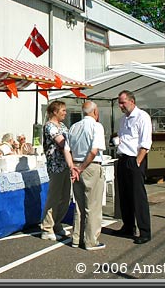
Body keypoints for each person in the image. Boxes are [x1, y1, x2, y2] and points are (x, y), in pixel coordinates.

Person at [65, 101, 106, 250]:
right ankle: (91, 240)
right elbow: (94, 151)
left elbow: (66, 149)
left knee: (80, 205)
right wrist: (81, 168)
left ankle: (76, 238)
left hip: (76, 165)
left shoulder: (74, 127)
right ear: (95, 111)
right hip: (90, 166)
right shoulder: (96, 126)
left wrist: (73, 167)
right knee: (92, 205)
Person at [114, 90, 153, 245]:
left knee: (138, 196)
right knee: (124, 195)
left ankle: (145, 231)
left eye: (123, 102)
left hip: (134, 159)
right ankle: (128, 226)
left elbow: (145, 141)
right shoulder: (123, 119)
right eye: (119, 103)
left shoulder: (142, 116)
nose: (120, 105)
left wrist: (138, 161)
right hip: (123, 158)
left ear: (132, 101)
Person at [39, 100, 78, 241]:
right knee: (54, 197)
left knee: (65, 197)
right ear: (55, 112)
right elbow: (63, 143)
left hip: (65, 165)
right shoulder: (50, 126)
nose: (65, 113)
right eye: (63, 111)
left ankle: (56, 222)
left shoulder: (62, 126)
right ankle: (47, 227)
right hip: (56, 166)